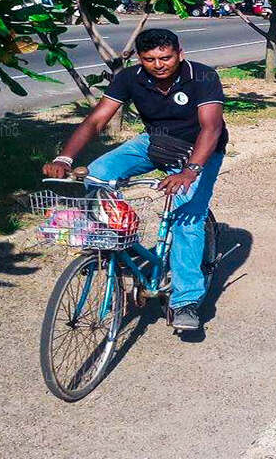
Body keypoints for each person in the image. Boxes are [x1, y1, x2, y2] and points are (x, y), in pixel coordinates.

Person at [41, 28, 227, 332]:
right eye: (150, 59)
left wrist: (190, 171)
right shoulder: (130, 77)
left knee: (186, 216)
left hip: (199, 150)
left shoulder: (203, 77)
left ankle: (186, 301)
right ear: (140, 59)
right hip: (154, 142)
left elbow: (212, 128)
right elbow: (97, 119)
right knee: (98, 176)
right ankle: (118, 244)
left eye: (165, 57)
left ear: (179, 52)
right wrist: (65, 158)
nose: (159, 64)